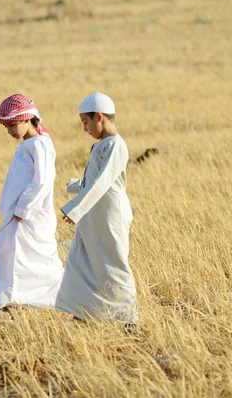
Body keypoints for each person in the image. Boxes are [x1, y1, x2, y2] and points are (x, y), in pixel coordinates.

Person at [55, 92, 138, 324]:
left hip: (109, 215)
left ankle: (128, 318)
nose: (84, 128)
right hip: (93, 215)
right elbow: (95, 181)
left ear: (99, 116)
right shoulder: (104, 145)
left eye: (85, 122)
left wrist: (76, 208)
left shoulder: (116, 145)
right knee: (79, 261)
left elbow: (103, 182)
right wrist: (75, 187)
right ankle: (82, 313)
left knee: (113, 264)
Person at [0, 94, 64, 319]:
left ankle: (15, 306)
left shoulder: (40, 144)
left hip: (30, 217)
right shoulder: (32, 144)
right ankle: (12, 306)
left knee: (30, 263)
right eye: (8, 126)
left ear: (27, 119)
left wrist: (22, 210)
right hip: (20, 216)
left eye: (13, 124)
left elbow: (42, 180)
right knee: (14, 260)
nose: (10, 131)